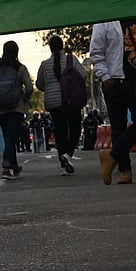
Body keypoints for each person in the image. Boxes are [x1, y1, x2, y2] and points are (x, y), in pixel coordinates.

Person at [89, 19, 136, 185]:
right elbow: (96, 52)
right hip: (115, 80)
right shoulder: (105, 21)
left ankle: (111, 155)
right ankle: (125, 171)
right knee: (118, 127)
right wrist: (105, 77)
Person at [35, 35, 86, 176]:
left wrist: (51, 88)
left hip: (53, 102)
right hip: (71, 100)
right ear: (62, 45)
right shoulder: (71, 59)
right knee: (75, 128)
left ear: (50, 48)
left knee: (60, 131)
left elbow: (39, 84)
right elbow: (83, 75)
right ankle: (68, 154)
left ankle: (63, 160)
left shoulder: (45, 64)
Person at [0, 41, 34, 179]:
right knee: (12, 137)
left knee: (8, 137)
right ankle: (6, 167)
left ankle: (15, 167)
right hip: (16, 108)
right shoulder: (20, 68)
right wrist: (23, 98)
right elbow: (29, 87)